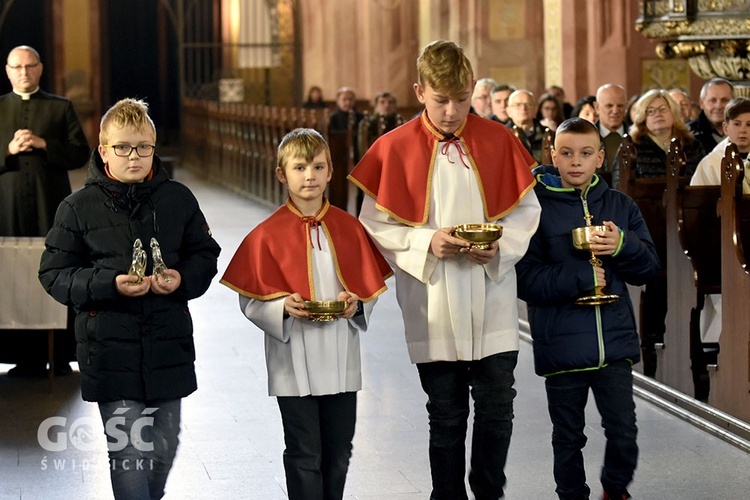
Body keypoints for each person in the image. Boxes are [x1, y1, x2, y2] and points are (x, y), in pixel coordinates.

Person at [349, 40, 542, 500]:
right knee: (447, 411)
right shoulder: (392, 148)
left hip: (491, 293)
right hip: (432, 295)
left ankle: (489, 492)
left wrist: (498, 247)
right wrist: (426, 240)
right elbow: (374, 224)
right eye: (441, 100)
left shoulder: (499, 140)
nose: (452, 110)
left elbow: (525, 212)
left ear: (472, 88)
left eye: (460, 98)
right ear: (419, 91)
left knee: (498, 405)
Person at [38, 98, 221, 500]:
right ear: (103, 149)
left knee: (163, 447)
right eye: (122, 147)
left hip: (166, 345)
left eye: (143, 147)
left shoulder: (178, 199)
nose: (134, 156)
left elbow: (205, 255)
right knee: (129, 453)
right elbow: (53, 274)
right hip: (109, 350)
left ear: (155, 147)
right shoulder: (77, 207)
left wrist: (181, 278)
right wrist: (110, 284)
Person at [221, 128, 391, 500]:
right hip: (292, 360)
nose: (309, 176)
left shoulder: (350, 228)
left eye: (318, 166)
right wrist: (281, 306)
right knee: (303, 453)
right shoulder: (266, 235)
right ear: (282, 174)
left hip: (340, 356)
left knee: (339, 453)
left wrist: (356, 303)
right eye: (299, 168)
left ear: (331, 171)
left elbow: (368, 288)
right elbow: (250, 300)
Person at [516, 117, 660, 500]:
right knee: (568, 435)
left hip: (614, 342)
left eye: (585, 153)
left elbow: (648, 268)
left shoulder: (619, 205)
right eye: (566, 153)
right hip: (562, 344)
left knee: (624, 430)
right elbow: (525, 280)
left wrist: (621, 246)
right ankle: (571, 494)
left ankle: (615, 488)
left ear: (600, 158)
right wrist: (582, 275)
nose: (575, 161)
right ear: (553, 156)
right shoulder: (534, 208)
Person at [0, 45, 90, 377]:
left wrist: (44, 145)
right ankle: (22, 358)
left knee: (57, 271)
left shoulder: (60, 107)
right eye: (17, 66)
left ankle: (61, 355)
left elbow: (80, 153)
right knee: (12, 279)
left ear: (40, 68)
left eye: (29, 66)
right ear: (7, 71)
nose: (23, 72)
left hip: (50, 207)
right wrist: (8, 150)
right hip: (7, 212)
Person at [612, 89, 704, 377]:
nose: (657, 114)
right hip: (648, 230)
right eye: (650, 110)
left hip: (688, 228)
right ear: (641, 116)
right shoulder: (632, 146)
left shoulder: (691, 144)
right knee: (654, 283)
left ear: (674, 113)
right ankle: (651, 341)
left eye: (662, 108)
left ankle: (692, 342)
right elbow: (620, 191)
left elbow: (701, 187)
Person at [689, 97, 750, 384]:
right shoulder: (711, 163)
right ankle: (725, 352)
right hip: (720, 249)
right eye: (737, 124)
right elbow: (697, 216)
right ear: (725, 127)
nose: (743, 131)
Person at [687, 78, 735, 155]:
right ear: (702, 103)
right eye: (713, 100)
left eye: (724, 100)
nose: (719, 106)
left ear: (733, 102)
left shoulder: (744, 130)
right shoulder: (688, 134)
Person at [594, 84, 628, 182]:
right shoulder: (584, 138)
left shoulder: (637, 138)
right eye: (609, 106)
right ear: (597, 107)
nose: (615, 111)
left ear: (626, 106)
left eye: (620, 106)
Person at [506, 89, 547, 163]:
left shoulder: (548, 135)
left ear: (536, 109)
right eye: (517, 105)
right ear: (508, 111)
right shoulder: (503, 135)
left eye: (528, 104)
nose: (523, 109)